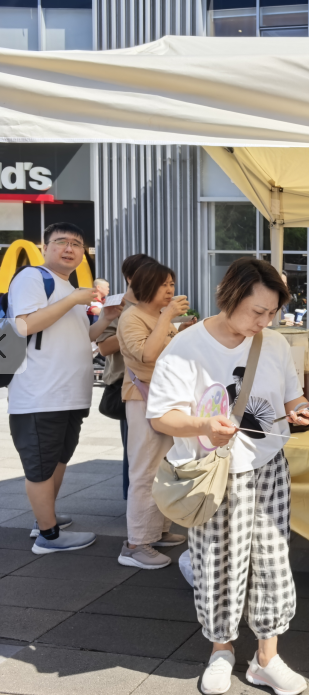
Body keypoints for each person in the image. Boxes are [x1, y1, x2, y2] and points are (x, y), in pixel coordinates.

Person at [147, 257, 309, 695]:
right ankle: (220, 651)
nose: (265, 321)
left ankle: (267, 658)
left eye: (272, 312)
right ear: (230, 296)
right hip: (214, 475)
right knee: (218, 565)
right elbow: (161, 415)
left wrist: (299, 410)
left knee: (273, 563)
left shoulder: (274, 344)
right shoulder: (186, 346)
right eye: (257, 311)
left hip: (268, 467)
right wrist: (203, 425)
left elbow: (290, 397)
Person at [8, 223, 121, 552]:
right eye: (61, 242)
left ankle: (45, 520)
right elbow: (24, 325)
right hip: (41, 394)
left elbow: (83, 337)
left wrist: (105, 319)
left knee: (58, 460)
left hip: (69, 394)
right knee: (41, 466)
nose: (70, 248)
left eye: (77, 243)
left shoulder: (69, 288)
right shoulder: (33, 278)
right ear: (45, 248)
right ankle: (48, 536)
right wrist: (73, 298)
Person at [116, 262, 190, 569]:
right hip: (143, 399)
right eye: (164, 284)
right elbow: (147, 354)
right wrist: (169, 317)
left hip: (163, 399)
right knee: (146, 471)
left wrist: (180, 328)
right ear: (146, 286)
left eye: (171, 283)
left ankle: (156, 531)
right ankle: (135, 544)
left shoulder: (157, 315)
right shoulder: (132, 316)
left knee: (163, 468)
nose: (170, 290)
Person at [96, 254, 155, 500]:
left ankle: (152, 502)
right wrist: (137, 333)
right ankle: (133, 503)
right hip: (128, 384)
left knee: (154, 447)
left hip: (156, 384)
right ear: (129, 277)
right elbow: (103, 347)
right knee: (135, 448)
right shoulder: (117, 304)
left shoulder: (157, 304)